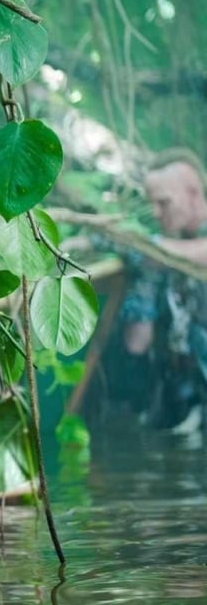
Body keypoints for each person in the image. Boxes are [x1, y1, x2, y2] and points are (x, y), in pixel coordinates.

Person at [119, 148, 207, 431]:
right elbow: (137, 343)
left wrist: (146, 247)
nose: (156, 212)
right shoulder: (165, 256)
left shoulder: (170, 251)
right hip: (185, 396)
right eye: (152, 203)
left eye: (164, 202)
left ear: (193, 192)